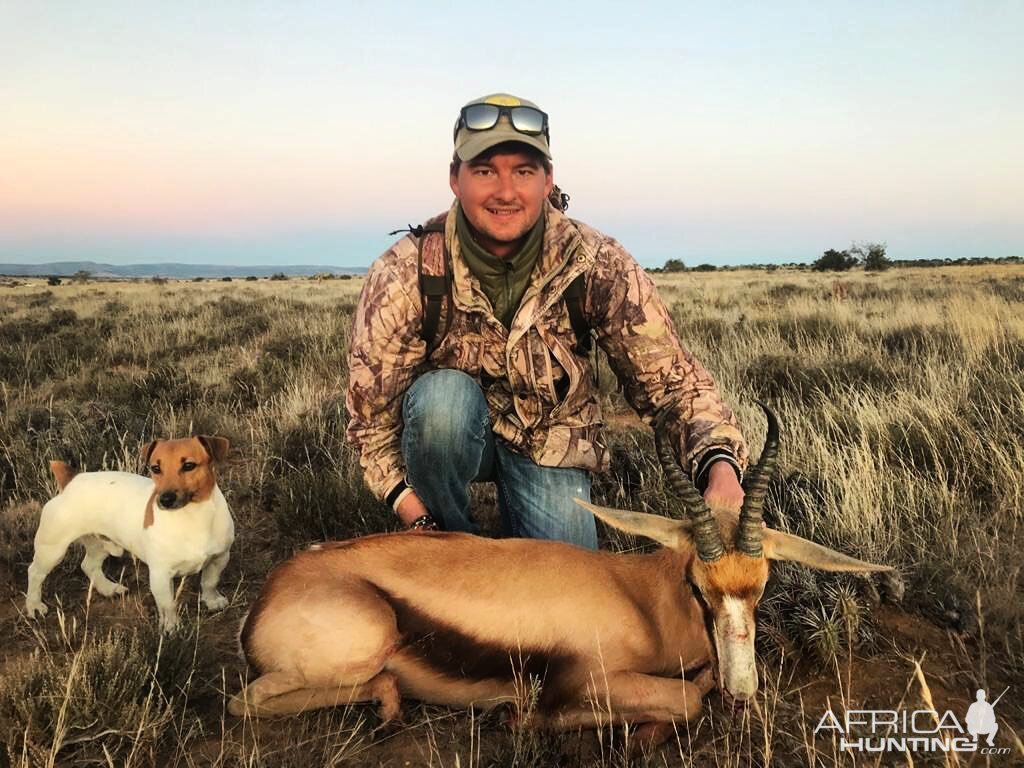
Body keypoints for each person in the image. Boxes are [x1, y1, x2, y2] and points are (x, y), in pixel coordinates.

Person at [346, 93, 748, 547]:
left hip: (548, 443)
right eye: (484, 171)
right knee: (442, 404)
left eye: (523, 171)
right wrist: (410, 509)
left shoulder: (596, 261)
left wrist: (719, 466)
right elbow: (371, 423)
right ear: (455, 180)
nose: (505, 191)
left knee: (573, 605)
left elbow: (673, 384)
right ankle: (447, 539)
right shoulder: (404, 271)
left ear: (547, 179)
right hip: (452, 437)